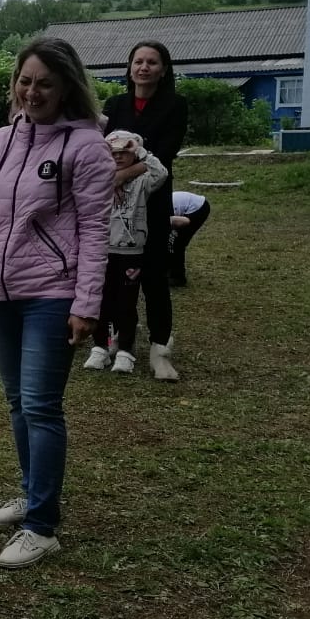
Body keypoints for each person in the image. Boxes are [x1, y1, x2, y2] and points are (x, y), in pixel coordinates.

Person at [0, 37, 112, 570]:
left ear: (67, 86)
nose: (32, 92)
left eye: (45, 83)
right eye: (25, 81)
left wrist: (86, 303)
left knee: (41, 406)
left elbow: (95, 230)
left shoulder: (86, 147)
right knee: (18, 402)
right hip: (0, 292)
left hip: (53, 292)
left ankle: (41, 526)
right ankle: (32, 491)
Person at [101, 41, 189, 380]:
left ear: (163, 69)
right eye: (138, 61)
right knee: (113, 275)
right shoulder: (115, 105)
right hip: (115, 204)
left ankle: (159, 348)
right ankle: (116, 339)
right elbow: (102, 149)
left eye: (152, 62)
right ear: (130, 67)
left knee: (153, 275)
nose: (144, 67)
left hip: (152, 200)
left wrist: (123, 174)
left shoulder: (175, 105)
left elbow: (165, 153)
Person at [83, 131, 167, 374]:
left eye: (124, 152)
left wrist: (139, 150)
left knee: (126, 302)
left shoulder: (142, 181)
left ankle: (125, 350)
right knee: (101, 300)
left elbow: (161, 173)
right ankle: (101, 346)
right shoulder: (98, 180)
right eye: (113, 153)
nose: (119, 157)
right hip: (102, 249)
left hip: (132, 252)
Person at [169, 188, 211, 286]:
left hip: (198, 208)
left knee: (177, 243)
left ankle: (178, 278)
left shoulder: (159, 215)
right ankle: (170, 270)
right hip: (187, 206)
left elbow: (185, 221)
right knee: (171, 241)